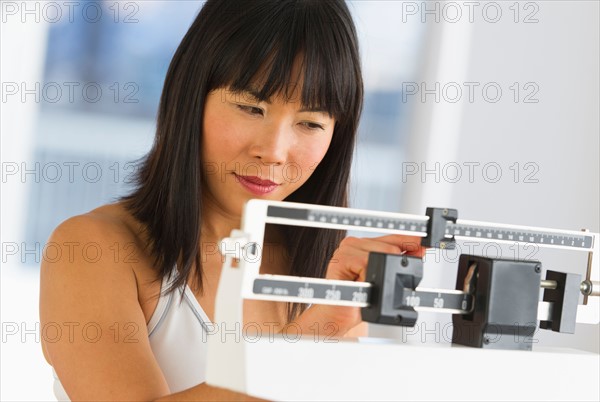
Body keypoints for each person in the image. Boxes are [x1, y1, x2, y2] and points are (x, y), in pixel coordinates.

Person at [39, 0, 425, 400]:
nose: (274, 151)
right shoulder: (90, 248)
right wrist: (316, 330)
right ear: (192, 96)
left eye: (310, 123)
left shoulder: (325, 276)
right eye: (250, 107)